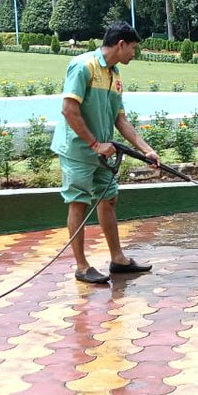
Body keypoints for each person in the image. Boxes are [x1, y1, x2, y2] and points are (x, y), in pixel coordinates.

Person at [50, 22, 159, 284]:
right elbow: (69, 110)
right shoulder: (83, 66)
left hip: (102, 152)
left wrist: (146, 150)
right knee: (79, 202)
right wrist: (94, 144)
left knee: (108, 200)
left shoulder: (115, 74)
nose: (135, 53)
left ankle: (118, 259)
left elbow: (120, 120)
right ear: (121, 44)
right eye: (133, 48)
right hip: (78, 150)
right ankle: (81, 265)